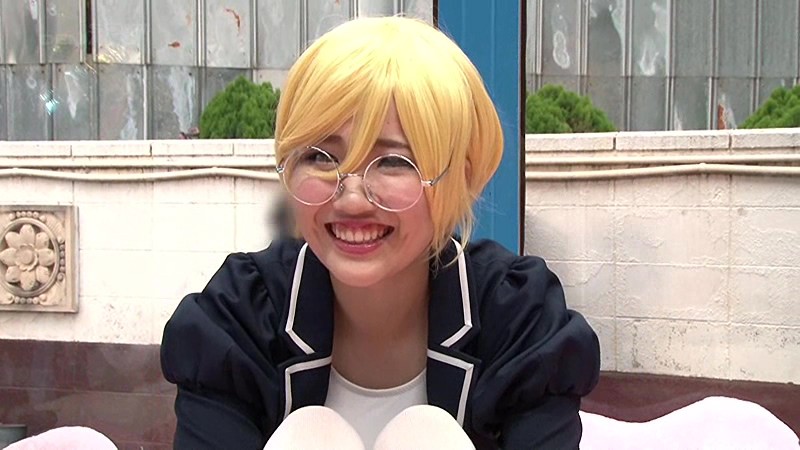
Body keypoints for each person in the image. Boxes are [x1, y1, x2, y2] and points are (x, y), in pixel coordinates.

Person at [160, 15, 600, 449]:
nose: (352, 199)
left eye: (392, 161)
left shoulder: (517, 321)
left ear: (460, 177)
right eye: (320, 157)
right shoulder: (241, 319)